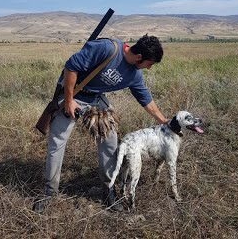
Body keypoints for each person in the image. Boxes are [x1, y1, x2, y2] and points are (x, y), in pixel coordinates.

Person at [33, 34, 168, 213]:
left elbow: (145, 99)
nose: (149, 68)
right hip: (74, 93)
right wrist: (68, 100)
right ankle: (49, 194)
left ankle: (108, 191)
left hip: (96, 100)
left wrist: (165, 122)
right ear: (139, 57)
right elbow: (71, 67)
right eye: (149, 64)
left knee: (110, 143)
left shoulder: (134, 75)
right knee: (57, 143)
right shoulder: (107, 48)